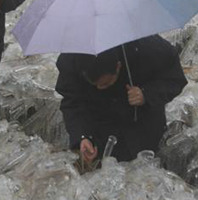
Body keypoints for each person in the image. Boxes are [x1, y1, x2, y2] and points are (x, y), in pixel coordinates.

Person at [55, 35, 188, 163]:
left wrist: (146, 94)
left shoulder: (150, 48)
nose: (100, 88)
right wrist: (82, 137)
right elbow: (72, 101)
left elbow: (175, 80)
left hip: (142, 123)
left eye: (105, 83)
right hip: (99, 124)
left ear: (118, 66)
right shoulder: (70, 60)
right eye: (94, 85)